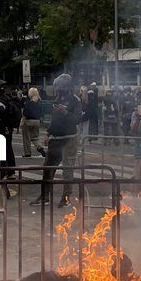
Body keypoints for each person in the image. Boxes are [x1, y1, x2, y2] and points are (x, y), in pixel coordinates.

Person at [32, 73, 82, 206]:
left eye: (60, 87)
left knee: (67, 170)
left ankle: (66, 198)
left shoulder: (75, 100)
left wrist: (65, 112)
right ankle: (44, 196)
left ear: (66, 87)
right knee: (47, 168)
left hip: (69, 140)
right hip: (56, 139)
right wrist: (48, 133)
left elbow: (77, 119)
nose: (58, 89)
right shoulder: (58, 98)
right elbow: (54, 120)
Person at [21, 87, 43, 157]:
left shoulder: (28, 103)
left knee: (26, 138)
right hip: (37, 121)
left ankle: (27, 153)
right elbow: (41, 113)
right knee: (35, 137)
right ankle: (40, 147)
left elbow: (25, 114)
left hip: (28, 121)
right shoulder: (39, 103)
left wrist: (22, 123)